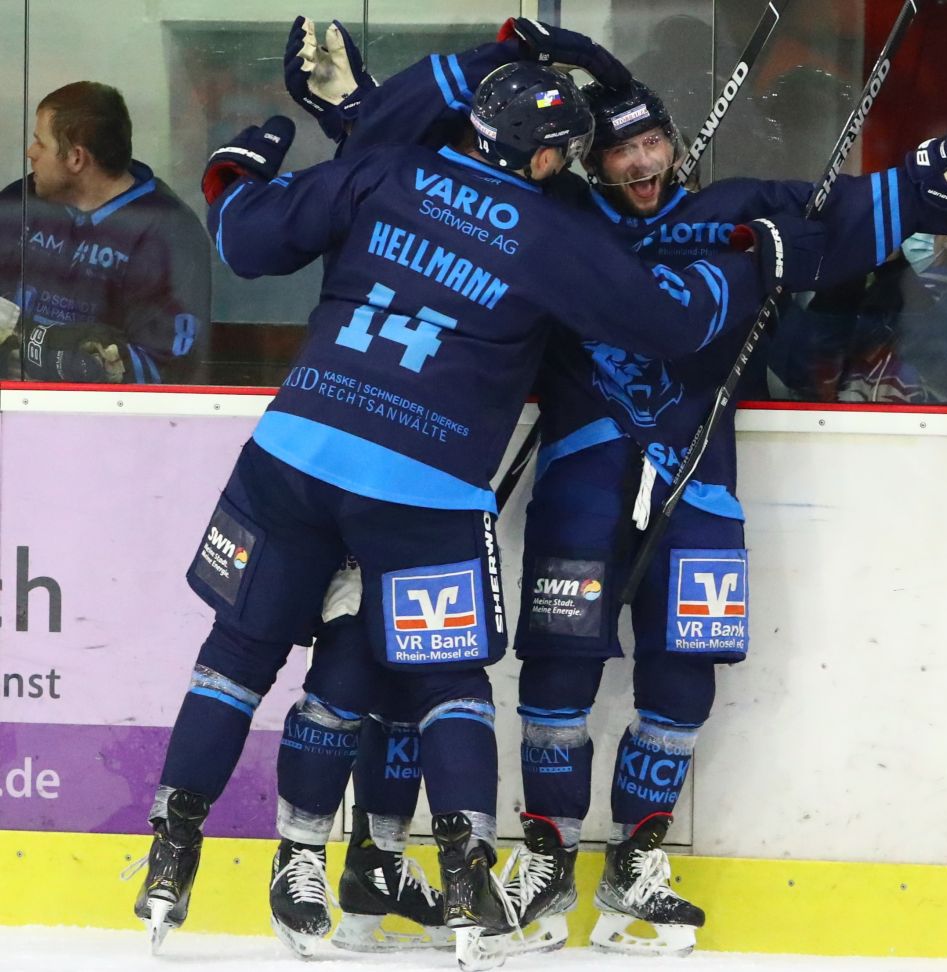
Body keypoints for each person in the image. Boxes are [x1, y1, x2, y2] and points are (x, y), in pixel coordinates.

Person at [292, 18, 947, 958]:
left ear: (673, 139)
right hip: (583, 480)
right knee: (560, 670)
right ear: (582, 162)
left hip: (700, 484)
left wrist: (934, 176)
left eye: (649, 142)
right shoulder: (551, 222)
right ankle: (545, 857)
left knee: (684, 671)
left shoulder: (734, 209)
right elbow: (439, 180)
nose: (638, 162)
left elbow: (840, 219)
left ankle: (636, 863)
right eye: (615, 150)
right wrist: (354, 110)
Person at [130, 54, 825, 972]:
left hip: (294, 455)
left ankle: (171, 859)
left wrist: (235, 169)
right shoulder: (550, 233)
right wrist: (754, 260)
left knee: (236, 656)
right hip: (418, 483)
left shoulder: (390, 169)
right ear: (544, 161)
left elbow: (247, 242)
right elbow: (672, 326)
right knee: (447, 680)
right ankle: (466, 885)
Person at [0, 82, 210, 383]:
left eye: (40, 143)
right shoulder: (19, 202)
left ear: (76, 157)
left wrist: (52, 358)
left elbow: (168, 369)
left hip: (103, 422)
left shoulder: (167, 232)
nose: (30, 152)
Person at [768, 225, 947, 404]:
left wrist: (899, 277)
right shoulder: (861, 295)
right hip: (841, 441)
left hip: (928, 450)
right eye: (894, 225)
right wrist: (846, 277)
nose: (902, 234)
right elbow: (793, 376)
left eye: (917, 222)